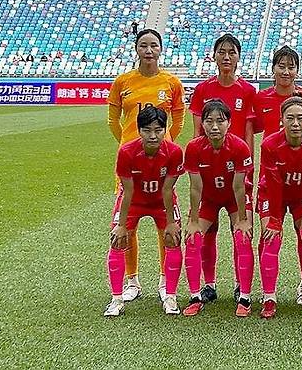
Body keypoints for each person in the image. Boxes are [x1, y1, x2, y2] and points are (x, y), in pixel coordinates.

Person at [107, 28, 185, 303]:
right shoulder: (123, 81)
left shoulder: (172, 82)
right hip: (130, 161)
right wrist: (128, 143)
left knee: (165, 219)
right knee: (127, 219)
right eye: (143, 45)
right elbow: (113, 120)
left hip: (161, 158)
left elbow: (178, 118)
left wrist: (166, 142)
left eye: (154, 45)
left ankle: (166, 280)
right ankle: (132, 280)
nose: (149, 50)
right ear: (136, 49)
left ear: (161, 49)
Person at [188, 33, 256, 304]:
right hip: (208, 168)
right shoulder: (203, 90)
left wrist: (248, 170)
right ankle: (209, 284)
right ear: (214, 55)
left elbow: (249, 133)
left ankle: (241, 285)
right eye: (222, 51)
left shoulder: (248, 91)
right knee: (208, 230)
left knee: (240, 228)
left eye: (232, 52)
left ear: (239, 57)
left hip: (238, 169)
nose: (227, 57)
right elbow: (196, 132)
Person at [252, 46, 302, 305]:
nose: (286, 71)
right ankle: (267, 290)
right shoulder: (261, 98)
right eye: (281, 66)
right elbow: (252, 130)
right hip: (271, 178)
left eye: (291, 66)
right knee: (269, 234)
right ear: (273, 68)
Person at [104, 107, 185, 317]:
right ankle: (116, 298)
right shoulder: (127, 152)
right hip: (134, 201)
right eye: (147, 130)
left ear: (164, 130)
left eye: (158, 130)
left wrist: (170, 222)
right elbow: (127, 191)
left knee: (173, 238)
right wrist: (121, 225)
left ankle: (170, 294)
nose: (153, 135)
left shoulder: (174, 152)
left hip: (162, 202)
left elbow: (168, 189)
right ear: (139, 130)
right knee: (118, 239)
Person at [258, 95, 302, 318]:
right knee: (270, 237)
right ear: (281, 120)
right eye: (290, 118)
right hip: (272, 193)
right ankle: (269, 297)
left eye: (300, 118)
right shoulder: (269, 144)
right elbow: (273, 184)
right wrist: (275, 221)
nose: (295, 123)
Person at [182, 99, 254, 317]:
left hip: (235, 199)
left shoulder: (240, 146)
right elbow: (195, 187)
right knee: (193, 238)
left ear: (229, 123)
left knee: (242, 236)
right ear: (202, 123)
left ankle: (244, 296)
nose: (214, 127)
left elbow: (239, 186)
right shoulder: (194, 148)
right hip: (209, 199)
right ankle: (199, 294)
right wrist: (193, 220)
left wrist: (242, 218)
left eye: (220, 121)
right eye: (209, 121)